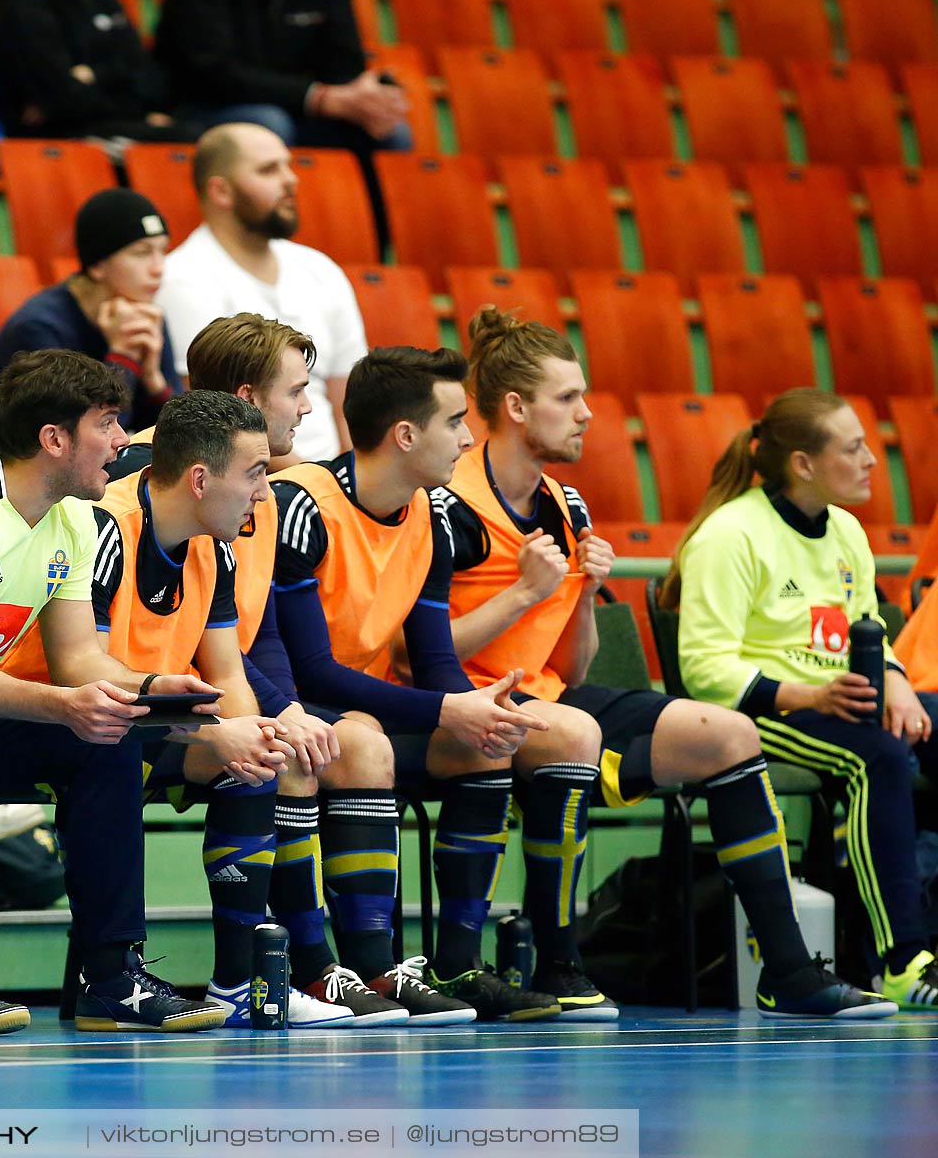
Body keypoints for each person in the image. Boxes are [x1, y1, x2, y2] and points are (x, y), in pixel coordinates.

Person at [444, 308, 892, 1018]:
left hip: (551, 695)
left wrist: (582, 597)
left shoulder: (565, 503)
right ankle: (559, 962)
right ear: (516, 407)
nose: (589, 414)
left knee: (730, 735)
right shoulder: (450, 502)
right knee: (573, 735)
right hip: (463, 700)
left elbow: (574, 664)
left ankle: (787, 972)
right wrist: (528, 590)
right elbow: (420, 651)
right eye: (570, 399)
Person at [0, 357, 236, 1036]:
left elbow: (77, 660)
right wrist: (60, 705)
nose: (123, 440)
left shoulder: (75, 518)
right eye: (107, 424)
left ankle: (111, 975)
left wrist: (153, 691)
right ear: (54, 440)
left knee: (105, 738)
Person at [108, 314, 420, 1026]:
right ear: (247, 397)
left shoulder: (267, 493)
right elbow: (166, 638)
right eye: (298, 390)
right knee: (272, 752)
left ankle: (353, 967)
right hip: (140, 697)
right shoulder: (144, 482)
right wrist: (265, 718)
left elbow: (253, 634)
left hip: (209, 692)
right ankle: (283, 971)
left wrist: (280, 709)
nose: (310, 408)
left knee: (355, 740)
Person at [272, 345, 572, 1022]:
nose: (469, 438)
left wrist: (471, 707)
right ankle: (350, 969)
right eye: (455, 422)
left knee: (486, 743)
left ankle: (458, 965)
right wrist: (444, 707)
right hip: (297, 712)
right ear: (405, 435)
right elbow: (309, 669)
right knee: (367, 742)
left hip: (367, 715)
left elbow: (434, 662)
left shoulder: (431, 516)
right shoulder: (303, 506)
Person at [664, 387, 938, 1011]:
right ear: (804, 464)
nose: (872, 458)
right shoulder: (729, 535)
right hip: (763, 711)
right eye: (854, 447)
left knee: (921, 729)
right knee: (878, 758)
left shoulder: (846, 530)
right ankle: (901, 961)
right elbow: (703, 670)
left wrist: (894, 679)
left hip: (841, 699)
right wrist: (809, 691)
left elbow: (870, 626)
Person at [152, 0, 409, 238]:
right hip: (206, 104)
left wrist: (367, 97)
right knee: (267, 127)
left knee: (392, 134)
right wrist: (317, 97)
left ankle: (371, 246)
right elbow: (210, 71)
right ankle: (267, 240)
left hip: (300, 106)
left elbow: (344, 62)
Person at [154, 124, 367, 462]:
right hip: (249, 482)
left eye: (288, 165)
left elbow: (348, 404)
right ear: (221, 191)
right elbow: (212, 418)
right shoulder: (183, 277)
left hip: (327, 483)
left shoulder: (320, 269)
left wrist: (350, 482)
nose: (291, 180)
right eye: (269, 169)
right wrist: (316, 486)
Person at [0, 188, 182, 440]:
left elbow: (175, 441)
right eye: (142, 253)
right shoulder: (39, 327)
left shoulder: (145, 315)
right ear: (97, 264)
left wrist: (154, 381)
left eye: (162, 251)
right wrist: (123, 357)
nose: (158, 268)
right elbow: (71, 442)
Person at [0, 0, 195, 142]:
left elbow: (150, 79)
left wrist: (95, 74)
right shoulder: (25, 4)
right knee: (184, 140)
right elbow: (62, 98)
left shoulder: (108, 3)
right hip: (61, 138)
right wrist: (135, 111)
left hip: (119, 122)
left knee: (197, 133)